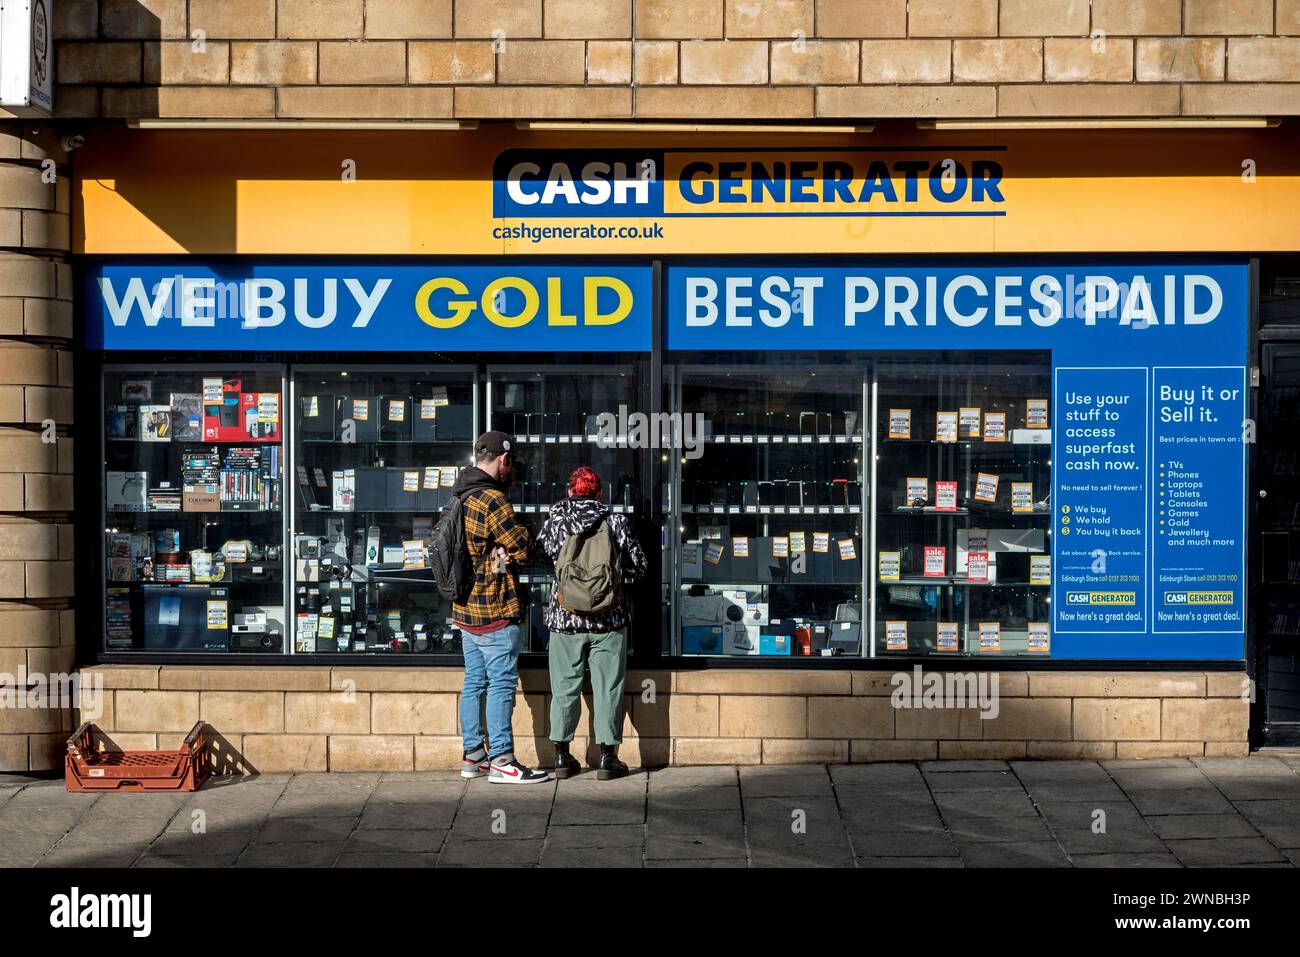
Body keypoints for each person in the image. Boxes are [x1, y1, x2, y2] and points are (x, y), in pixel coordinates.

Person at [452, 430, 550, 785]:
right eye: (512, 463)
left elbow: (474, 551)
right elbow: (523, 548)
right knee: (502, 685)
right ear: (503, 459)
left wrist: (496, 553)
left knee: (474, 683)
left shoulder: (459, 494)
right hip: (493, 608)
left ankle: (473, 756)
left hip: (464, 609)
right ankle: (503, 761)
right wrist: (512, 549)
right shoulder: (493, 499)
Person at [538, 466, 648, 779]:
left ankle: (561, 757)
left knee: (564, 687)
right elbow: (640, 567)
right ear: (599, 493)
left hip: (565, 619)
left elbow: (542, 557)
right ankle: (608, 758)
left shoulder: (556, 522)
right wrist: (611, 583)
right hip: (609, 620)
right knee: (608, 688)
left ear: (570, 492)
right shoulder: (615, 522)